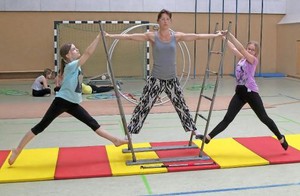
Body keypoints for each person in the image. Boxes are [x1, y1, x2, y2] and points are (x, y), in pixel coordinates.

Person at [8, 33, 128, 165]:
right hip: (62, 102)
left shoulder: (75, 65)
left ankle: (115, 141)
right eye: (74, 49)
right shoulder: (71, 65)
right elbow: (88, 53)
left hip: (72, 103)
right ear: (68, 55)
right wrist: (98, 38)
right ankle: (17, 150)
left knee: (92, 123)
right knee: (41, 126)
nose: (77, 50)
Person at [104, 9, 222, 136]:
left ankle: (193, 129)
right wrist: (110, 36)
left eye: (167, 19)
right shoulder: (152, 36)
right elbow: (131, 37)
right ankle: (130, 132)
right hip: (156, 79)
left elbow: (197, 36)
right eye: (162, 19)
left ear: (170, 21)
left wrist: (216, 35)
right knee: (144, 105)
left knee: (181, 105)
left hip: (172, 79)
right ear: (158, 21)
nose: (165, 21)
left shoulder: (176, 36)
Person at [196, 31, 289, 151]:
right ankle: (208, 138)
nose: (249, 51)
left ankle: (280, 137)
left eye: (252, 50)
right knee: (227, 118)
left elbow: (240, 48)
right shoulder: (242, 59)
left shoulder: (253, 60)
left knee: (263, 118)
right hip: (239, 93)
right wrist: (224, 38)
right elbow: (234, 49)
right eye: (248, 49)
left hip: (251, 93)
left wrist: (231, 35)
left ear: (256, 53)